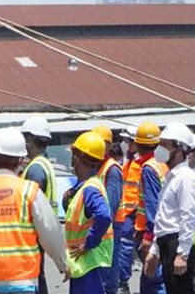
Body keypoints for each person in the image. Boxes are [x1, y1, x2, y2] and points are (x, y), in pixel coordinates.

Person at [0, 129, 67, 294]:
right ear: (20, 159)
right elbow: (50, 230)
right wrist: (63, 264)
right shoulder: (29, 191)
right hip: (24, 281)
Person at [144, 125, 195, 294]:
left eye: (165, 144)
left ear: (180, 149)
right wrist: (155, 250)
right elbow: (164, 218)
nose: (160, 149)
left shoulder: (185, 178)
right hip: (166, 244)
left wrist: (183, 254)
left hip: (177, 244)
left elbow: (188, 216)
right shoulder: (171, 177)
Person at [65, 132, 115, 294]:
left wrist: (88, 243)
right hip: (84, 263)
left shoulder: (90, 189)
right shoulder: (85, 187)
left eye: (73, 155)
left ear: (78, 158)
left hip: (90, 262)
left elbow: (104, 215)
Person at [22, 116, 58, 294]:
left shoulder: (35, 169)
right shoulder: (44, 163)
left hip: (34, 231)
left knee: (35, 275)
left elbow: (31, 203)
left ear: (30, 140)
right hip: (43, 229)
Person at [90, 125, 125, 294]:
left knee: (108, 268)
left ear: (109, 146)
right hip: (102, 224)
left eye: (102, 143)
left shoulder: (112, 169)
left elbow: (111, 204)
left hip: (111, 225)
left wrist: (100, 226)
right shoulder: (97, 166)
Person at [135, 123, 169, 294]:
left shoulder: (148, 168)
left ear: (138, 145)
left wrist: (149, 236)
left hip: (151, 231)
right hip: (164, 229)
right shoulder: (163, 164)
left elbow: (152, 205)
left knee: (153, 280)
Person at [118, 132, 144, 294]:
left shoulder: (137, 165)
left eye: (126, 141)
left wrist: (130, 212)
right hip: (129, 212)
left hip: (132, 213)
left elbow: (136, 192)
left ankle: (122, 283)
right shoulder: (130, 162)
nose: (123, 143)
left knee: (126, 248)